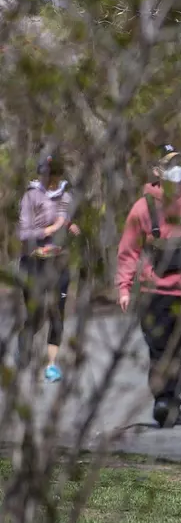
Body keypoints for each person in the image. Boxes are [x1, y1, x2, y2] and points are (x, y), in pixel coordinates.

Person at [116, 145, 181, 428]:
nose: (174, 170)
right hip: (153, 294)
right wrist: (123, 287)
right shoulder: (142, 207)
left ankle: (173, 402)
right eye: (168, 165)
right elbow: (128, 251)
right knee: (159, 350)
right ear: (157, 171)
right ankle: (162, 400)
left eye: (178, 164)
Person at [16, 154, 79, 382]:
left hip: (58, 261)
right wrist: (49, 230)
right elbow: (24, 233)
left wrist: (70, 226)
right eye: (45, 174)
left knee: (57, 313)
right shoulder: (30, 196)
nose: (50, 179)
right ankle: (24, 345)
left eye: (53, 174)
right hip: (33, 263)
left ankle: (52, 365)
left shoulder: (65, 196)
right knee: (36, 313)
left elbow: (64, 218)